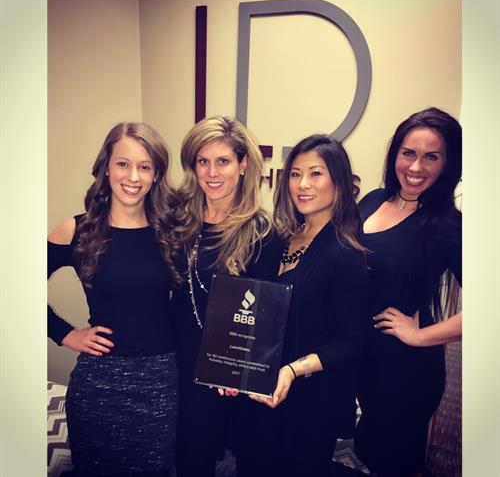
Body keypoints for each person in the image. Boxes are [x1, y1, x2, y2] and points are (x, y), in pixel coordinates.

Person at [48, 122, 180, 477]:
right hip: (99, 384)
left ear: (156, 174)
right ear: (106, 166)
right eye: (123, 164)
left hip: (159, 382)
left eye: (144, 166)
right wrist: (65, 333)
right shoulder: (77, 230)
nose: (133, 177)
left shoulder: (172, 231)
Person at [238, 134, 369, 477]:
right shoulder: (280, 239)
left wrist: (293, 370)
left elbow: (351, 341)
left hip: (309, 400)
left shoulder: (344, 254)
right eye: (295, 174)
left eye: (315, 173)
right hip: (263, 390)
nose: (303, 184)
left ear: (338, 182)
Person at [171, 115, 282, 477]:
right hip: (180, 362)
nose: (212, 172)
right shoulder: (179, 219)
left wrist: (237, 370)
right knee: (190, 460)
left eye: (223, 161)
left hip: (228, 369)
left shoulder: (261, 232)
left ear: (243, 164)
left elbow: (262, 314)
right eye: (203, 161)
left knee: (246, 458)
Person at [353, 107, 462, 476]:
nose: (416, 167)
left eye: (432, 157)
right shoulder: (373, 200)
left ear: (448, 164)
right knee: (368, 450)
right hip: (365, 357)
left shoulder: (447, 224)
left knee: (392, 461)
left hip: (405, 371)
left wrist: (419, 336)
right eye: (409, 153)